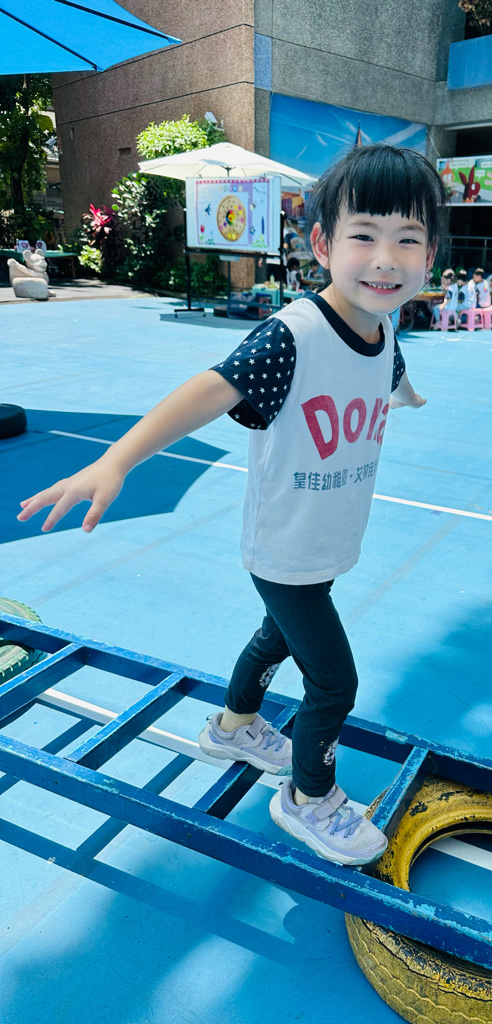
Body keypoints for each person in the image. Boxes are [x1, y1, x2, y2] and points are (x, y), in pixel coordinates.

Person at [17, 143, 444, 868]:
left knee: (277, 637)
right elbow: (210, 389)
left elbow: (388, 369)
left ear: (429, 254)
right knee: (333, 680)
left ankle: (232, 727)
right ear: (322, 245)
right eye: (364, 236)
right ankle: (307, 796)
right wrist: (117, 460)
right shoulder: (294, 337)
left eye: (407, 240)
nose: (385, 259)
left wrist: (407, 394)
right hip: (284, 547)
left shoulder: (384, 329)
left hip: (327, 540)